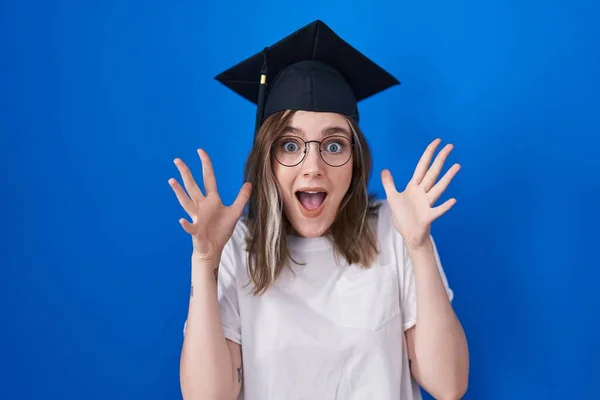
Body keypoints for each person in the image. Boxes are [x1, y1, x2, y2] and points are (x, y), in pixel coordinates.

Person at [173, 20, 469, 400]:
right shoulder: (235, 247)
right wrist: (205, 260)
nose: (313, 167)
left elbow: (448, 385)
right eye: (291, 145)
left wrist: (419, 247)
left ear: (355, 161)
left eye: (333, 145)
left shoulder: (393, 232)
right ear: (268, 161)